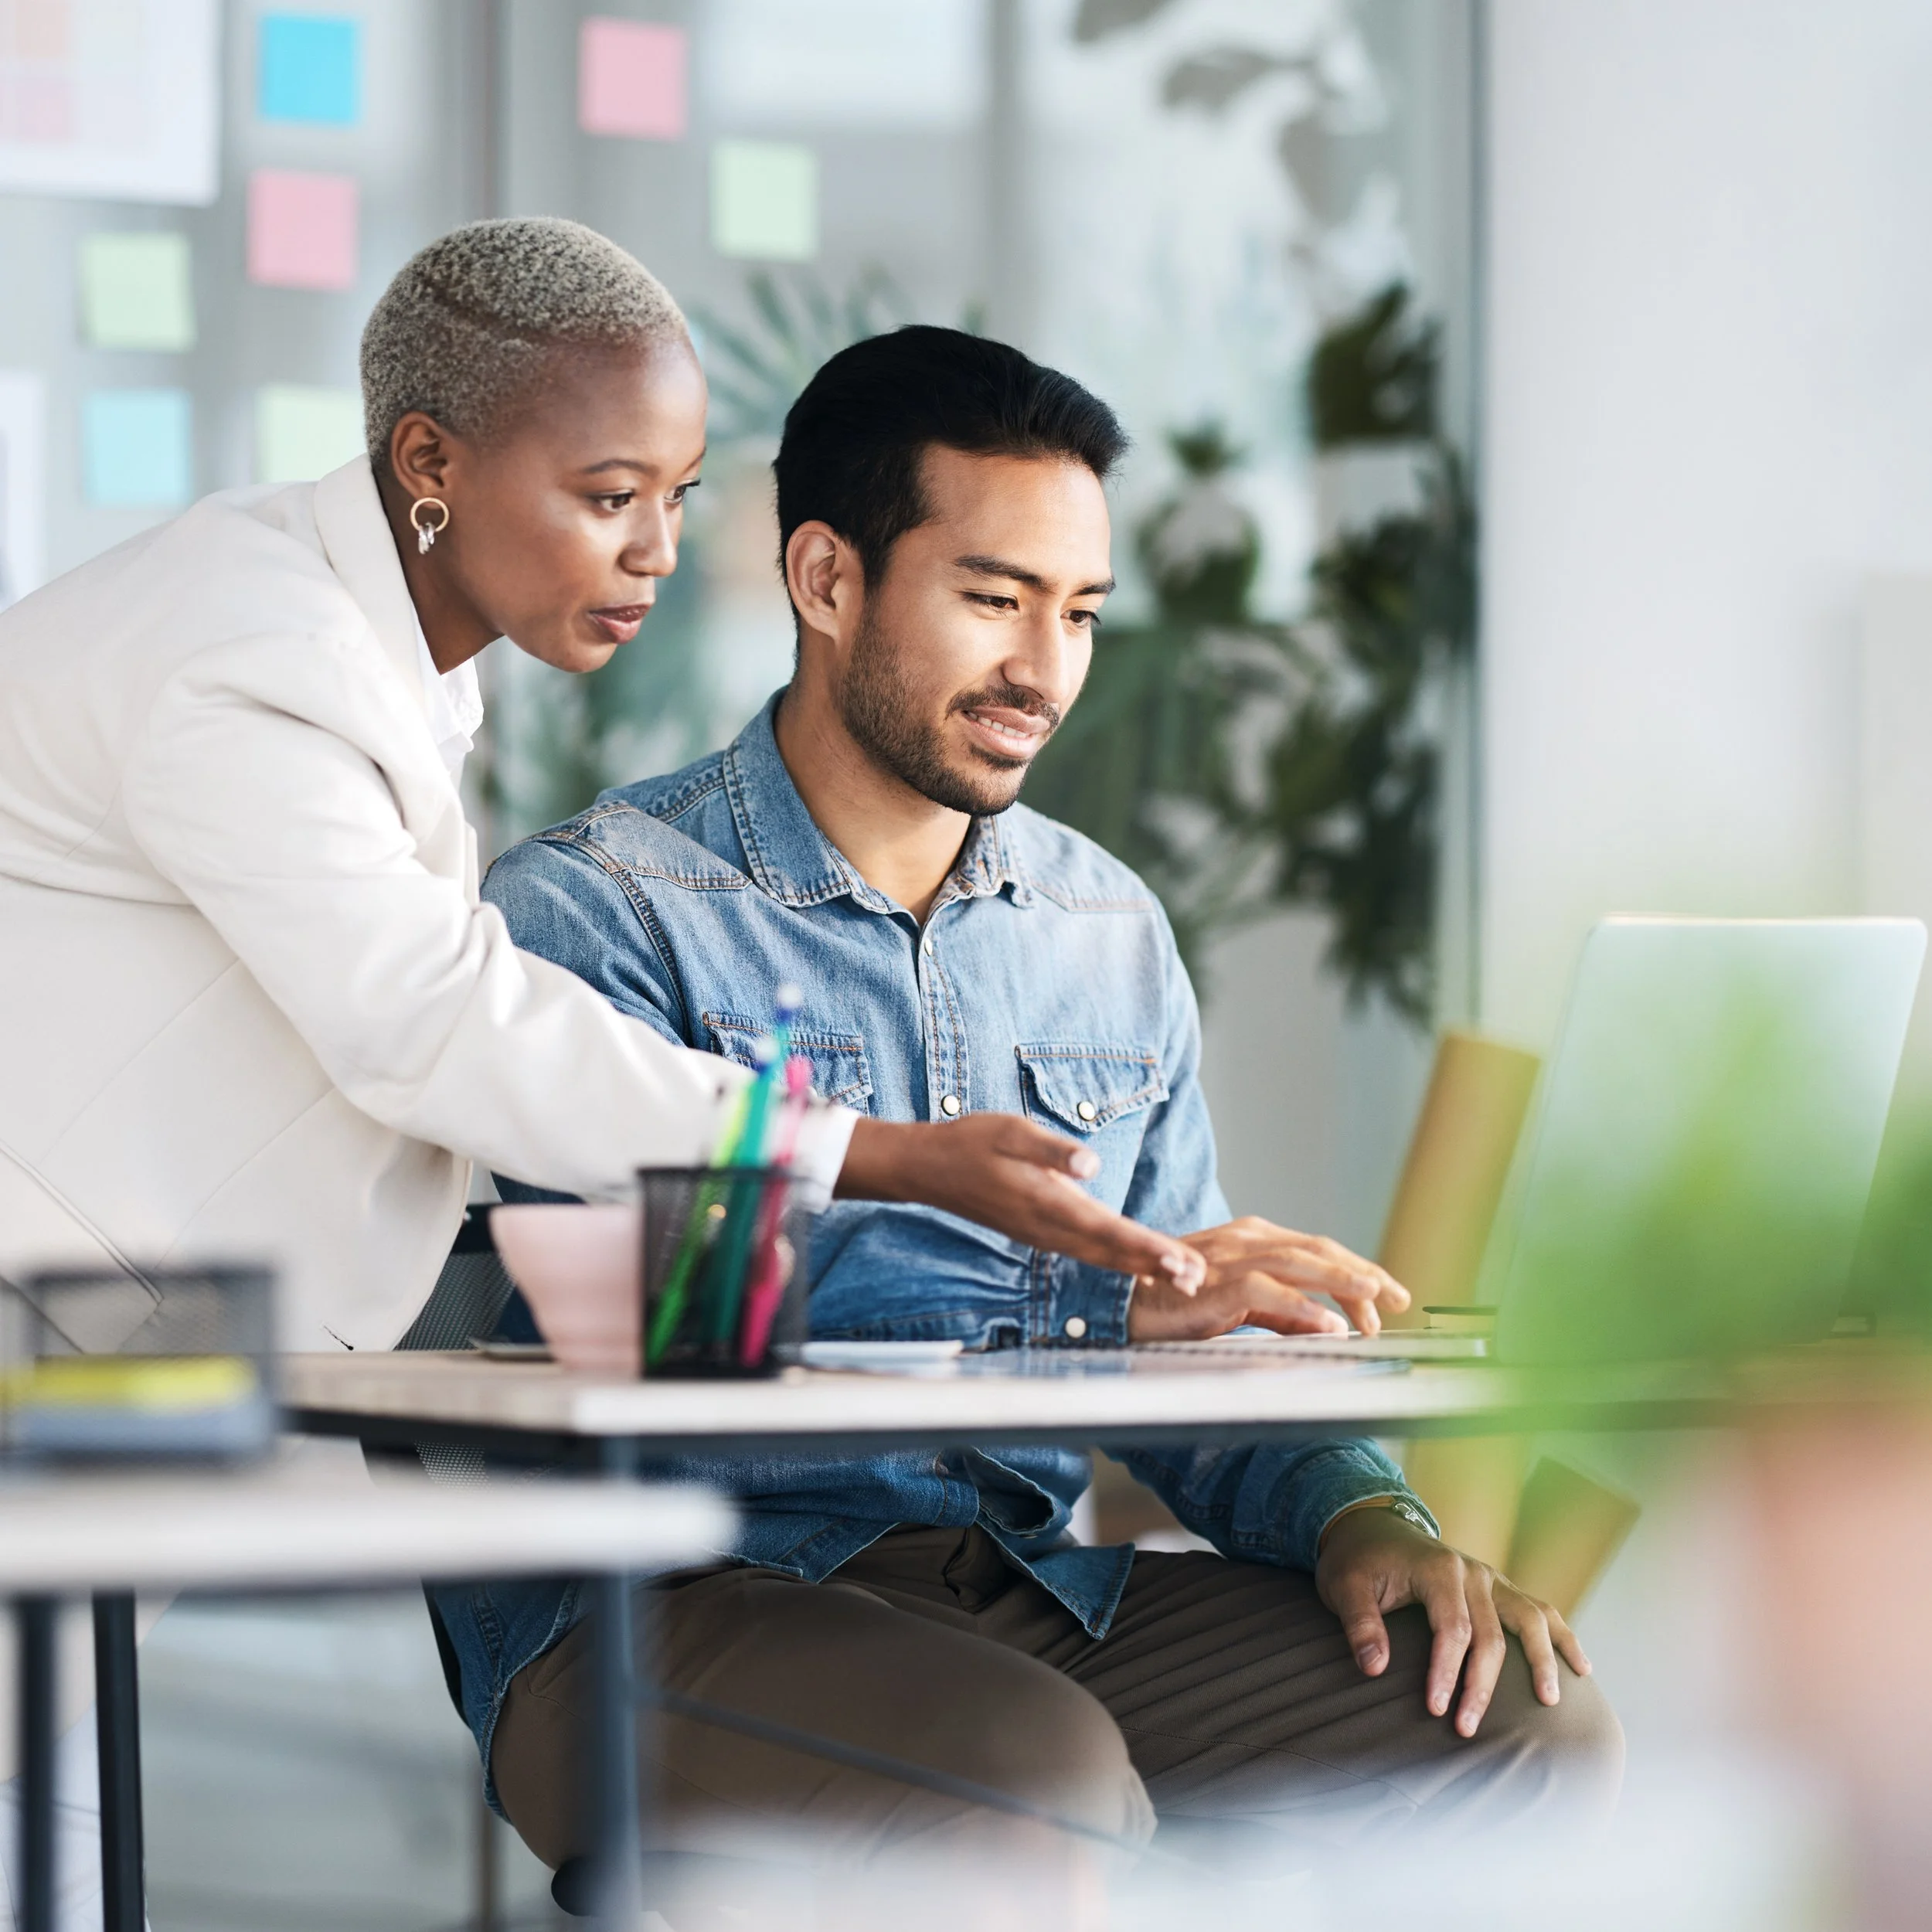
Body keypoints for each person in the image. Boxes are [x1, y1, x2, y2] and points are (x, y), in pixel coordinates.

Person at [453, 328, 1624, 1897]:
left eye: (1077, 613)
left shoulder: (1103, 927)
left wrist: (1362, 1513)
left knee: (1512, 1723)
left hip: (1023, 1587)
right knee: (1035, 1777)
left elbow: (1193, 1326)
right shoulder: (598, 914)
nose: (1044, 671)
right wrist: (1102, 1305)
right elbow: (670, 1349)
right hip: (659, 1598)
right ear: (824, 579)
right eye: (993, 598)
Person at [0, 220, 1202, 1359]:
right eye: (609, 496)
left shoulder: (355, 647)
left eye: (676, 495)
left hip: (110, 1326)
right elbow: (434, 1023)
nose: (659, 552)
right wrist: (877, 1153)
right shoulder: (254, 659)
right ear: (431, 462)